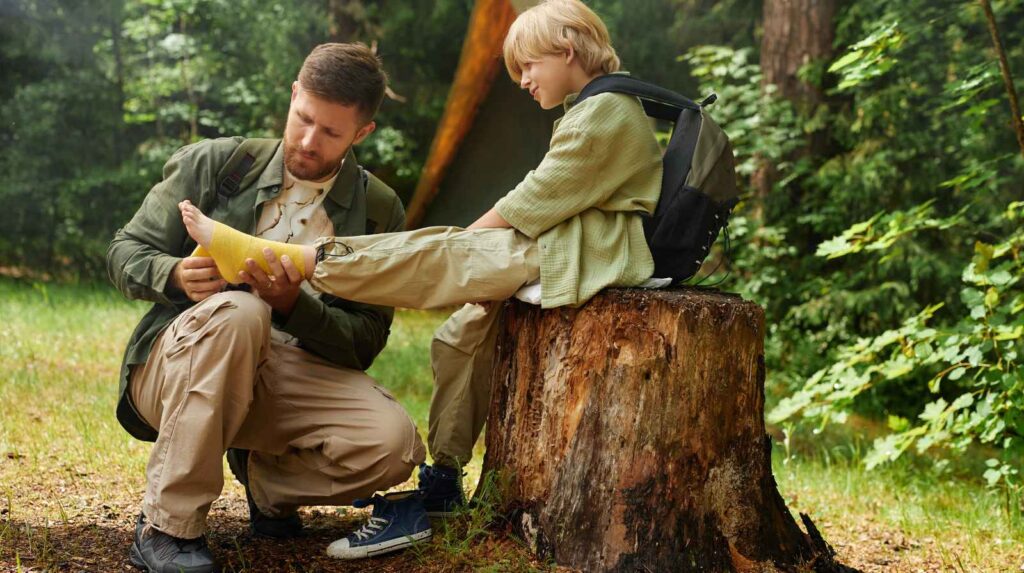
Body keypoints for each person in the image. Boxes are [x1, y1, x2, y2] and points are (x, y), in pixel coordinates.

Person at [178, 0, 663, 559]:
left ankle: (304, 259)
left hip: (591, 253)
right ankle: (445, 479)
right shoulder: (594, 108)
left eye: (528, 67)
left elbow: (530, 198)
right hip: (572, 246)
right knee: (457, 334)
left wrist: (460, 242)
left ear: (568, 49)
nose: (523, 81)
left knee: (437, 255)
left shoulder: (606, 111)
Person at [107, 43, 429, 573]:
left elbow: (367, 339)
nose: (307, 140)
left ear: (361, 133)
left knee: (392, 444)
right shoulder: (217, 163)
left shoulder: (378, 209)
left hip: (283, 374)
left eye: (330, 132)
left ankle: (265, 482)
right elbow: (124, 251)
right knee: (242, 313)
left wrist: (294, 306)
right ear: (294, 95)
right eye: (303, 119)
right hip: (174, 366)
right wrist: (173, 274)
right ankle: (165, 528)